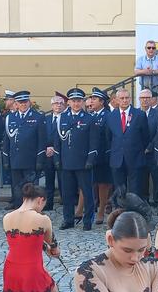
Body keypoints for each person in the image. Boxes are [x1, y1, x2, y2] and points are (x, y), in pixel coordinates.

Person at [2, 183, 59, 292]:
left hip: (12, 269)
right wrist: (54, 250)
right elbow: (52, 246)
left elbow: (22, 243)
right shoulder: (43, 219)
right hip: (32, 269)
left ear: (24, 199)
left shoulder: (6, 218)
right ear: (40, 200)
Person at [55, 88, 98, 231]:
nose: (76, 104)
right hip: (66, 162)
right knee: (67, 194)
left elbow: (94, 142)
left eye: (79, 101)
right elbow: (57, 142)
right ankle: (68, 219)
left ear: (83, 102)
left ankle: (87, 220)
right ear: (68, 102)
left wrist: (90, 159)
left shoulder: (89, 119)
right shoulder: (62, 118)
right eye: (73, 101)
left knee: (87, 193)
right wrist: (57, 158)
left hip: (83, 162)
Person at [2, 91, 46, 210]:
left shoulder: (38, 117)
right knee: (17, 188)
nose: (23, 105)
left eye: (25, 102)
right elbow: (6, 140)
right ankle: (18, 210)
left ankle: (31, 210)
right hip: (15, 160)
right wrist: (6, 159)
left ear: (29, 102)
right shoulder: (10, 117)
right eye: (20, 102)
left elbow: (42, 141)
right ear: (16, 103)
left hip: (31, 160)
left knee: (31, 188)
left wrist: (40, 160)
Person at [105, 88, 150, 198]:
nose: (125, 100)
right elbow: (109, 137)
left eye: (127, 98)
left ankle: (134, 213)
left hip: (135, 157)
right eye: (122, 98)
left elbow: (145, 137)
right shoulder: (111, 116)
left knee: (135, 189)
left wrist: (136, 148)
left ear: (130, 99)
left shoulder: (139, 115)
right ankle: (120, 211)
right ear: (116, 100)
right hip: (117, 158)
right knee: (119, 190)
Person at [88, 87, 112, 224]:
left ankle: (102, 210)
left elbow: (109, 137)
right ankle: (90, 209)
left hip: (103, 155)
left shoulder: (107, 115)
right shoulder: (91, 115)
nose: (92, 101)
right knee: (91, 184)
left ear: (102, 102)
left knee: (103, 185)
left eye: (95, 99)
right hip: (91, 155)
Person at [43, 94, 65, 211]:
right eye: (56, 103)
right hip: (48, 154)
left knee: (63, 179)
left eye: (61, 103)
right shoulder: (45, 119)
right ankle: (49, 203)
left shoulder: (67, 118)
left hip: (61, 154)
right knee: (49, 180)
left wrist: (56, 149)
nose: (58, 105)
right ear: (52, 105)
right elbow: (41, 136)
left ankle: (64, 200)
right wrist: (47, 148)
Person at [139, 89, 158, 203]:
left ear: (152, 99)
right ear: (139, 99)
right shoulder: (135, 113)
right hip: (139, 152)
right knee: (142, 179)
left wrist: (150, 147)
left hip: (153, 152)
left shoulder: (157, 114)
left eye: (147, 98)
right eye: (143, 98)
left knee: (157, 178)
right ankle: (144, 200)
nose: (145, 100)